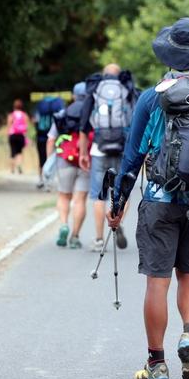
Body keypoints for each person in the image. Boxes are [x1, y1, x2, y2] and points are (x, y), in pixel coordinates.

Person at [106, 17, 189, 379]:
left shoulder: (153, 96)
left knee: (157, 282)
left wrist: (118, 202)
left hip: (159, 200)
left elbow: (132, 156)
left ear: (169, 53)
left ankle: (157, 366)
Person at [78, 63, 138, 252]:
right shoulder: (126, 89)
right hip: (122, 148)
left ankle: (98, 239)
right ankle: (117, 219)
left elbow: (83, 125)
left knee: (98, 195)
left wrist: (82, 153)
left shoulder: (95, 90)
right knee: (123, 192)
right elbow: (136, 121)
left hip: (99, 149)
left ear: (103, 75)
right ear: (119, 75)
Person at [46, 82, 91, 249]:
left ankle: (64, 225)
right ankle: (75, 236)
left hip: (64, 159)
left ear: (73, 96)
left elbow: (51, 139)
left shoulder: (63, 113)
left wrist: (49, 159)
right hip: (85, 160)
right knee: (80, 200)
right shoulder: (91, 114)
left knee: (64, 195)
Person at [33, 96, 64, 188]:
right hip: (56, 137)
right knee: (56, 159)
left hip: (41, 136)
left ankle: (41, 179)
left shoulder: (40, 108)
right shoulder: (58, 108)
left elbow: (35, 120)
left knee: (41, 158)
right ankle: (53, 181)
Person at [6, 99, 29, 174]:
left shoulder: (11, 115)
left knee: (12, 152)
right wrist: (26, 136)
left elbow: (9, 125)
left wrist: (8, 134)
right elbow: (26, 126)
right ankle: (19, 165)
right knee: (19, 152)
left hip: (12, 135)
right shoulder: (24, 115)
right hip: (21, 135)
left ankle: (12, 169)